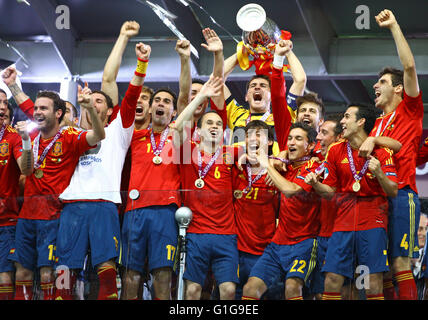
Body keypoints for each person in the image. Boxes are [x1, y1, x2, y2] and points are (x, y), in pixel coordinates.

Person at [2, 67, 105, 300]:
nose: (36, 112)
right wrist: (12, 83)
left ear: (58, 113)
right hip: (26, 215)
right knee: (23, 272)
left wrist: (88, 106)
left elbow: (98, 136)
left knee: (49, 274)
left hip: (54, 216)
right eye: (35, 108)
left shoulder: (69, 136)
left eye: (43, 108)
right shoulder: (33, 134)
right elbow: (23, 100)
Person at [358, 9, 424, 300]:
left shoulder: (409, 110)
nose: (375, 85)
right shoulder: (375, 124)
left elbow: (409, 67)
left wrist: (394, 25)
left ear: (398, 89)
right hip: (376, 197)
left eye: (382, 82)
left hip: (402, 195)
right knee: (380, 268)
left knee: (399, 264)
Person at [306, 103, 398, 300]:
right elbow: (330, 192)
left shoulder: (382, 152)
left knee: (372, 282)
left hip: (373, 219)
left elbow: (393, 190)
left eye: (347, 117)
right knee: (332, 279)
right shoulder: (335, 150)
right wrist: (315, 184)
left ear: (361, 122)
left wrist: (379, 173)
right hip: (343, 221)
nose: (342, 122)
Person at [172, 75, 240, 300]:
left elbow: (260, 151)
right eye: (209, 123)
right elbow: (177, 126)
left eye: (219, 124)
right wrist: (201, 96)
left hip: (226, 235)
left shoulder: (231, 154)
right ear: (199, 130)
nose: (215, 126)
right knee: (192, 291)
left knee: (228, 291)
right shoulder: (186, 151)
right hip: (197, 234)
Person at [242, 122, 320, 300]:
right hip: (277, 244)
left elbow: (290, 190)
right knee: (250, 289)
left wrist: (267, 164)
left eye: (298, 139)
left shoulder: (315, 167)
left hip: (304, 243)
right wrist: (272, 160)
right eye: (290, 138)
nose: (291, 142)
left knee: (292, 288)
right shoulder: (284, 166)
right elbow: (274, 161)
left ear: (310, 146)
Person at [213, 41, 307, 155]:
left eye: (263, 86)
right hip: (240, 171)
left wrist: (288, 51)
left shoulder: (283, 115)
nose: (257, 87)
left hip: (271, 170)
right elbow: (215, 80)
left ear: (272, 96)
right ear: (247, 96)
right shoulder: (237, 114)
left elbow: (300, 80)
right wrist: (241, 52)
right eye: (253, 86)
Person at [233, 120, 279, 299]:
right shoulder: (235, 167)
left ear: (269, 142)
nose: (253, 138)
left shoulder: (278, 170)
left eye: (258, 134)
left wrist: (274, 161)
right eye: (248, 134)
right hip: (236, 249)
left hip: (265, 251)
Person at [0, 89, 33, 300]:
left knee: (4, 275)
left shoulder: (12, 137)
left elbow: (26, 169)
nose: (2, 106)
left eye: (4, 103)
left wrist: (27, 141)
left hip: (6, 221)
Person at [308, 114, 343, 300]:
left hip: (339, 234)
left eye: (324, 133)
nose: (318, 138)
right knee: (320, 292)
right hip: (320, 235)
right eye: (318, 133)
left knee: (341, 288)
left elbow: (331, 193)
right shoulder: (316, 160)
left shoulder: (347, 160)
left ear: (339, 137)